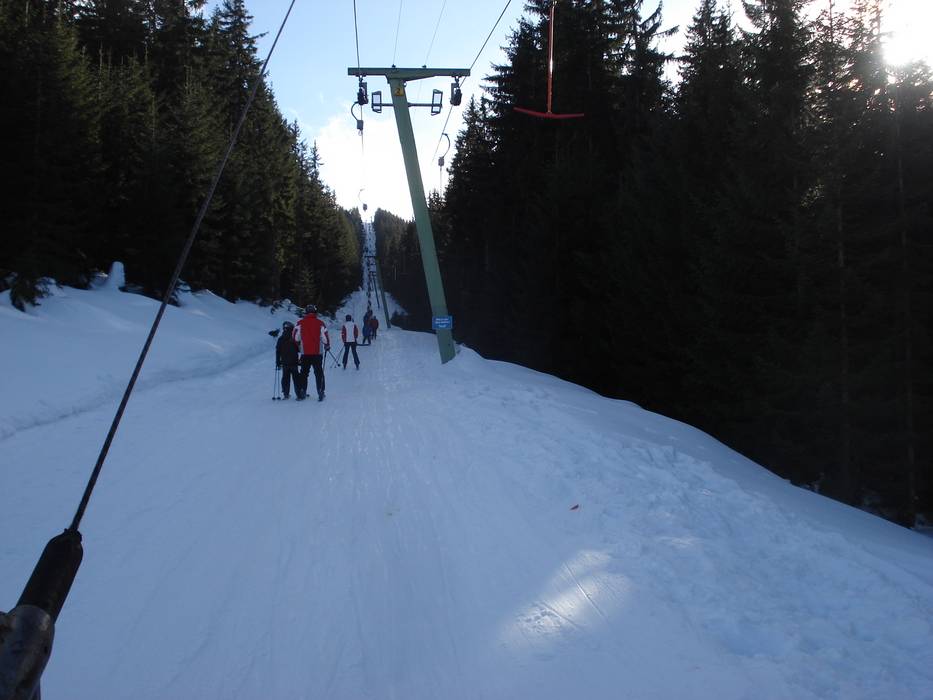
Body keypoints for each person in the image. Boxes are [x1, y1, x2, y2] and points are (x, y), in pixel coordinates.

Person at [293, 304, 330, 401]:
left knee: (304, 373)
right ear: (315, 312)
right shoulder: (320, 323)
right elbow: (325, 337)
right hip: (317, 353)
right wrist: (327, 345)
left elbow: (295, 337)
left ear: (306, 312)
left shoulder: (300, 323)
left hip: (305, 353)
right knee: (318, 372)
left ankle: (302, 391)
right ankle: (320, 391)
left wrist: (298, 344)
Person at [275, 320, 300, 399]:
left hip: (285, 362)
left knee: (285, 378)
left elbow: (278, 351)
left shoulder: (280, 339)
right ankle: (299, 394)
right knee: (296, 378)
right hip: (294, 362)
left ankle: (286, 394)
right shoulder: (294, 338)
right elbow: (299, 349)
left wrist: (278, 362)